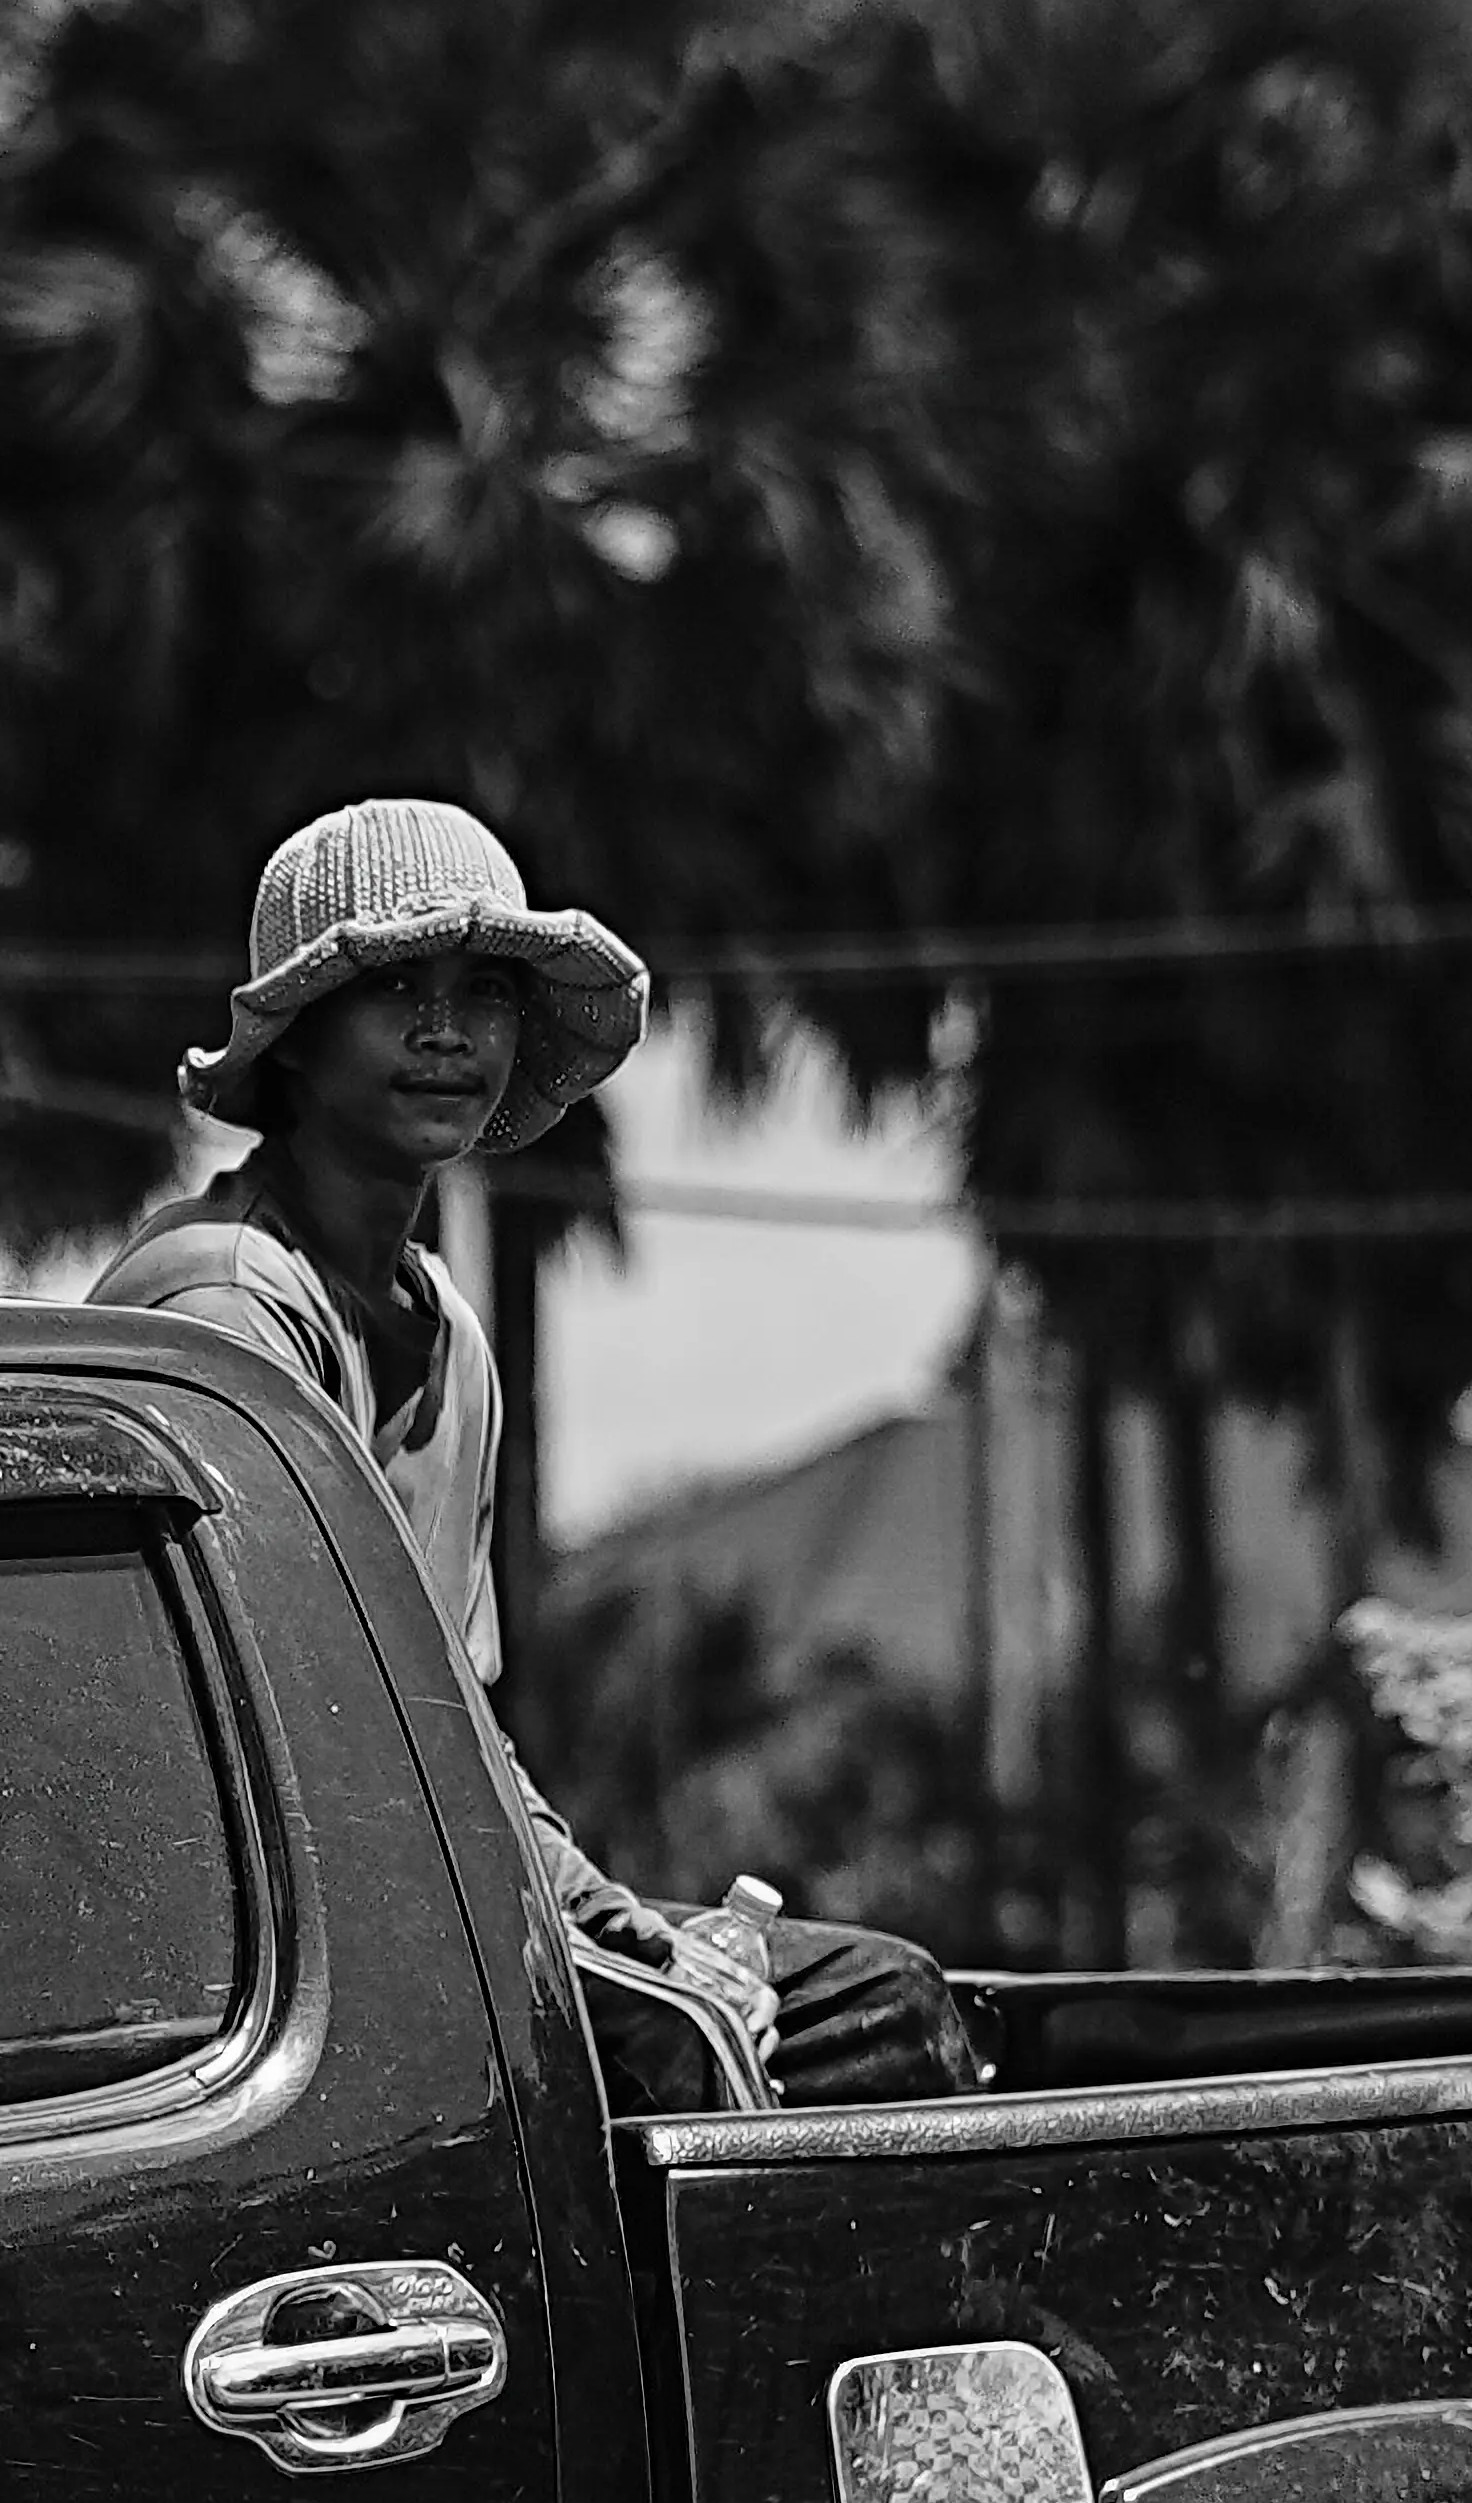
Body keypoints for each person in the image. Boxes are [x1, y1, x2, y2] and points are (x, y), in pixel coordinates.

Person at [88, 798, 979, 2107]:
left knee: (878, 2006)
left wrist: (631, 1936)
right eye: (393, 987)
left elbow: (461, 1743)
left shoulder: (447, 1334)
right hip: (249, 1952)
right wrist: (626, 1973)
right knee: (725, 2060)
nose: (445, 1032)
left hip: (423, 1902)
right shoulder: (228, 1313)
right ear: (295, 1036)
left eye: (483, 992)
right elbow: (293, 1765)